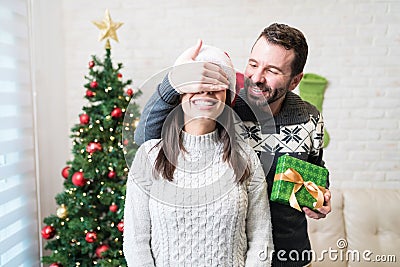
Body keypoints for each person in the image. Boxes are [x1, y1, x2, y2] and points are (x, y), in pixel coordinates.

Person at [134, 23, 332, 266]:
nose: (257, 78)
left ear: (294, 81)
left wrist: (319, 198)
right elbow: (146, 138)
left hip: (290, 256)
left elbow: (314, 170)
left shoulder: (308, 117)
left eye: (272, 70)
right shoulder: (225, 106)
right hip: (235, 255)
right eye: (253, 64)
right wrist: (174, 80)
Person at [123, 45, 274, 266]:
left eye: (216, 85)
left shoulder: (246, 157)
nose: (206, 91)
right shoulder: (149, 156)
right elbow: (136, 243)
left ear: (226, 96)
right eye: (196, 84)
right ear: (180, 92)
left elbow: (261, 239)